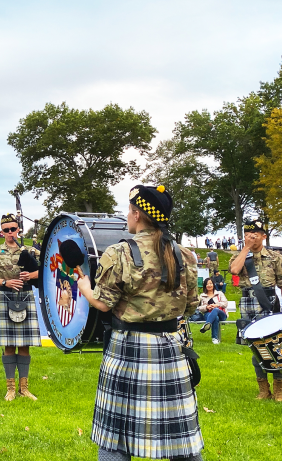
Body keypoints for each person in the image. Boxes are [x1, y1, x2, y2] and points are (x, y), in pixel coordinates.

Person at [76, 185, 202, 461]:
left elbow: (103, 303)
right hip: (171, 346)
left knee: (115, 437)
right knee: (180, 436)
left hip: (128, 348)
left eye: (129, 210)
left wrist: (85, 286)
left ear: (136, 214)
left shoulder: (118, 253)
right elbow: (191, 306)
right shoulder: (186, 255)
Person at [229, 219, 282, 402]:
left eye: (255, 234)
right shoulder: (241, 255)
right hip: (248, 303)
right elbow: (234, 270)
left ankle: (279, 390)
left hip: (269, 302)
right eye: (248, 234)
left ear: (263, 236)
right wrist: (246, 248)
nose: (252, 237)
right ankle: (263, 389)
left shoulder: (275, 256)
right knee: (256, 349)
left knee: (275, 346)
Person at [0, 214, 41, 401]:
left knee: (24, 345)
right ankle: (10, 388)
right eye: (6, 230)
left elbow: (48, 267)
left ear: (18, 230)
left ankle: (24, 388)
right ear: (1, 232)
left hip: (26, 294)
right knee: (8, 345)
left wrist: (31, 276)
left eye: (13, 229)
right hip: (6, 296)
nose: (10, 233)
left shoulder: (30, 250)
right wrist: (5, 282)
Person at [190, 277, 228, 344]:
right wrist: (207, 307)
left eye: (210, 283)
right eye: (207, 284)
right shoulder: (202, 296)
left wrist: (216, 305)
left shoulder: (219, 293)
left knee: (216, 310)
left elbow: (225, 303)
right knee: (215, 318)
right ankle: (214, 339)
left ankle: (207, 324)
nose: (209, 285)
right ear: (205, 286)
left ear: (213, 284)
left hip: (221, 314)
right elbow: (199, 308)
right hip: (208, 313)